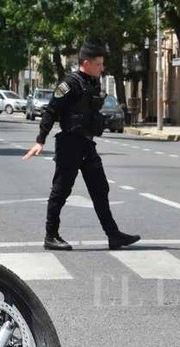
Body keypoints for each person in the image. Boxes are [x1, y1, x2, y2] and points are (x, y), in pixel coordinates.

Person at [23, 42, 140, 251]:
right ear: (85, 63)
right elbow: (51, 111)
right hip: (69, 144)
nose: (101, 68)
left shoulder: (94, 83)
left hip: (87, 144)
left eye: (102, 64)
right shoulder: (69, 84)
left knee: (100, 188)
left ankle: (113, 235)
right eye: (98, 64)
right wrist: (40, 140)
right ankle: (51, 235)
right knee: (61, 191)